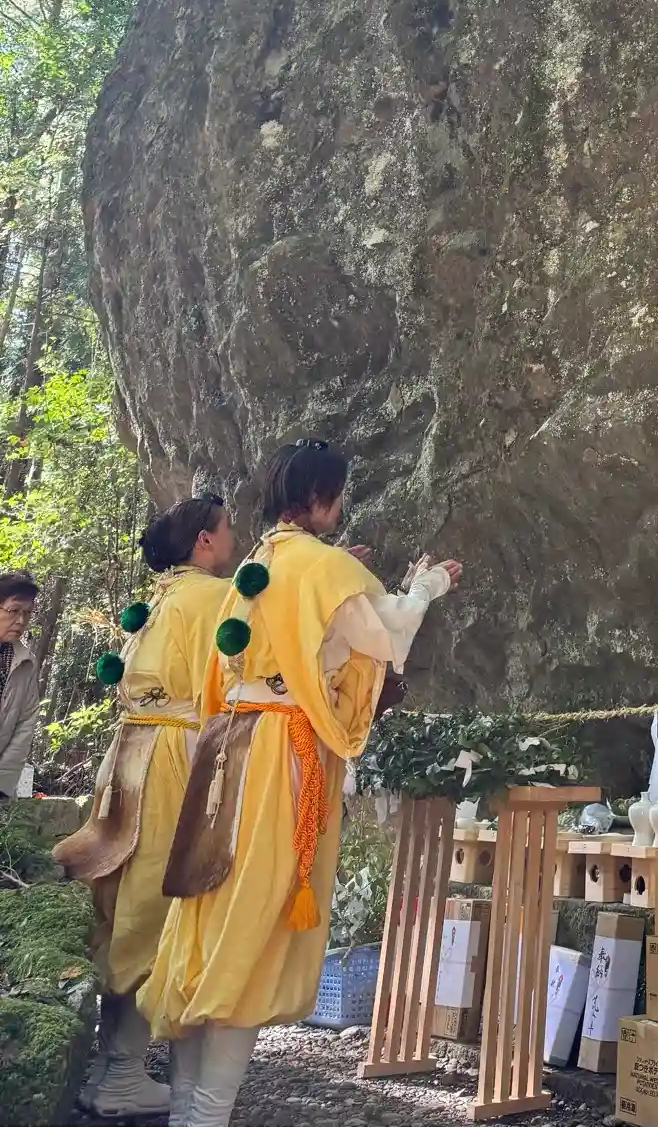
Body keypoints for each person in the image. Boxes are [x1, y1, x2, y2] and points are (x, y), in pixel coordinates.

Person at [139, 439, 460, 1128]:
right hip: (281, 756)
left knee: (210, 916)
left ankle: (188, 1114)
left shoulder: (258, 563)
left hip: (227, 748)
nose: (338, 507)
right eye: (336, 495)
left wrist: (346, 579)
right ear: (319, 496)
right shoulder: (322, 567)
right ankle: (205, 1118)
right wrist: (428, 585)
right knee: (251, 930)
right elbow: (388, 634)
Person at [53, 494, 237, 1119]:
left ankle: (114, 1066)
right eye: (227, 529)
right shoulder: (213, 597)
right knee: (157, 901)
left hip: (130, 751)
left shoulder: (161, 597)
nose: (232, 538)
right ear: (204, 541)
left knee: (122, 899)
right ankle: (126, 1073)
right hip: (173, 756)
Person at [0, 569, 41, 801]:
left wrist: (2, 784)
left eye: (27, 613)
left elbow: (26, 724)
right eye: (14, 611)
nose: (21, 621)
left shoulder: (25, 663)